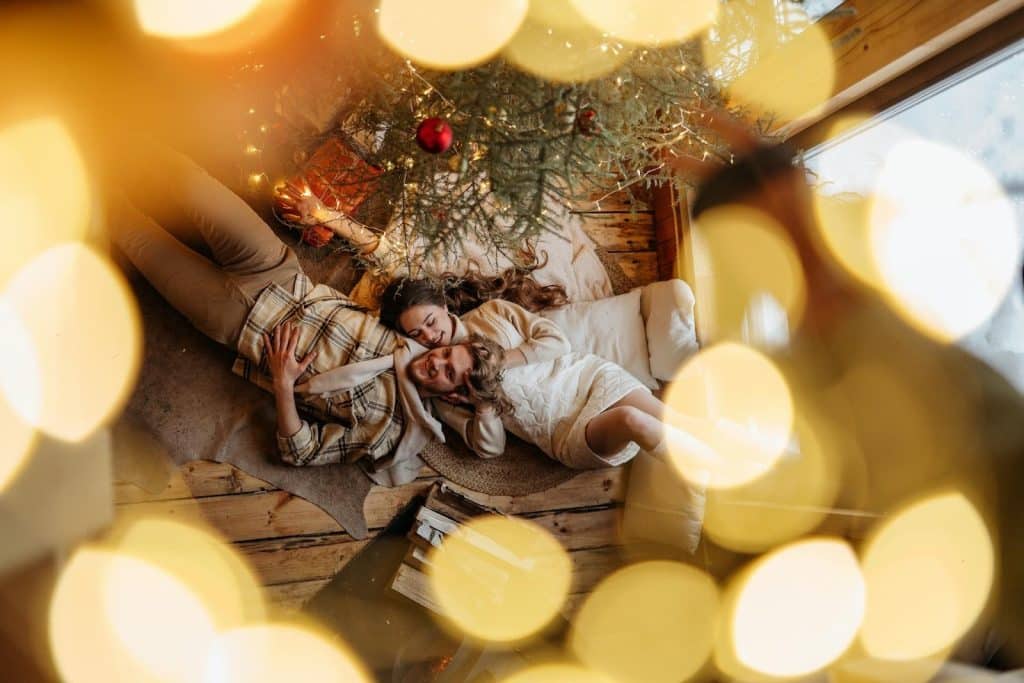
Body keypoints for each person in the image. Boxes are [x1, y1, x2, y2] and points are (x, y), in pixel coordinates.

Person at [106, 144, 503, 486]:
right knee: (189, 181)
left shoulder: (387, 431)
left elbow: (300, 451)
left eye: (449, 372)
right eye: (448, 353)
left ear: (452, 395)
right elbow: (390, 261)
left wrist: (283, 383)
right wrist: (324, 215)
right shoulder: (413, 336)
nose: (437, 358)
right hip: (275, 270)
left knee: (132, 234)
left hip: (238, 323)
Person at [379, 277, 738, 475]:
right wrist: (483, 405)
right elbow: (489, 449)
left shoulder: (492, 313)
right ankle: (714, 473)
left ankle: (746, 455)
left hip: (586, 377)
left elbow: (557, 342)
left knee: (681, 422)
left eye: (430, 322)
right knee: (634, 420)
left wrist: (500, 363)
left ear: (443, 307)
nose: (429, 337)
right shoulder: (444, 385)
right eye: (417, 335)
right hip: (564, 430)